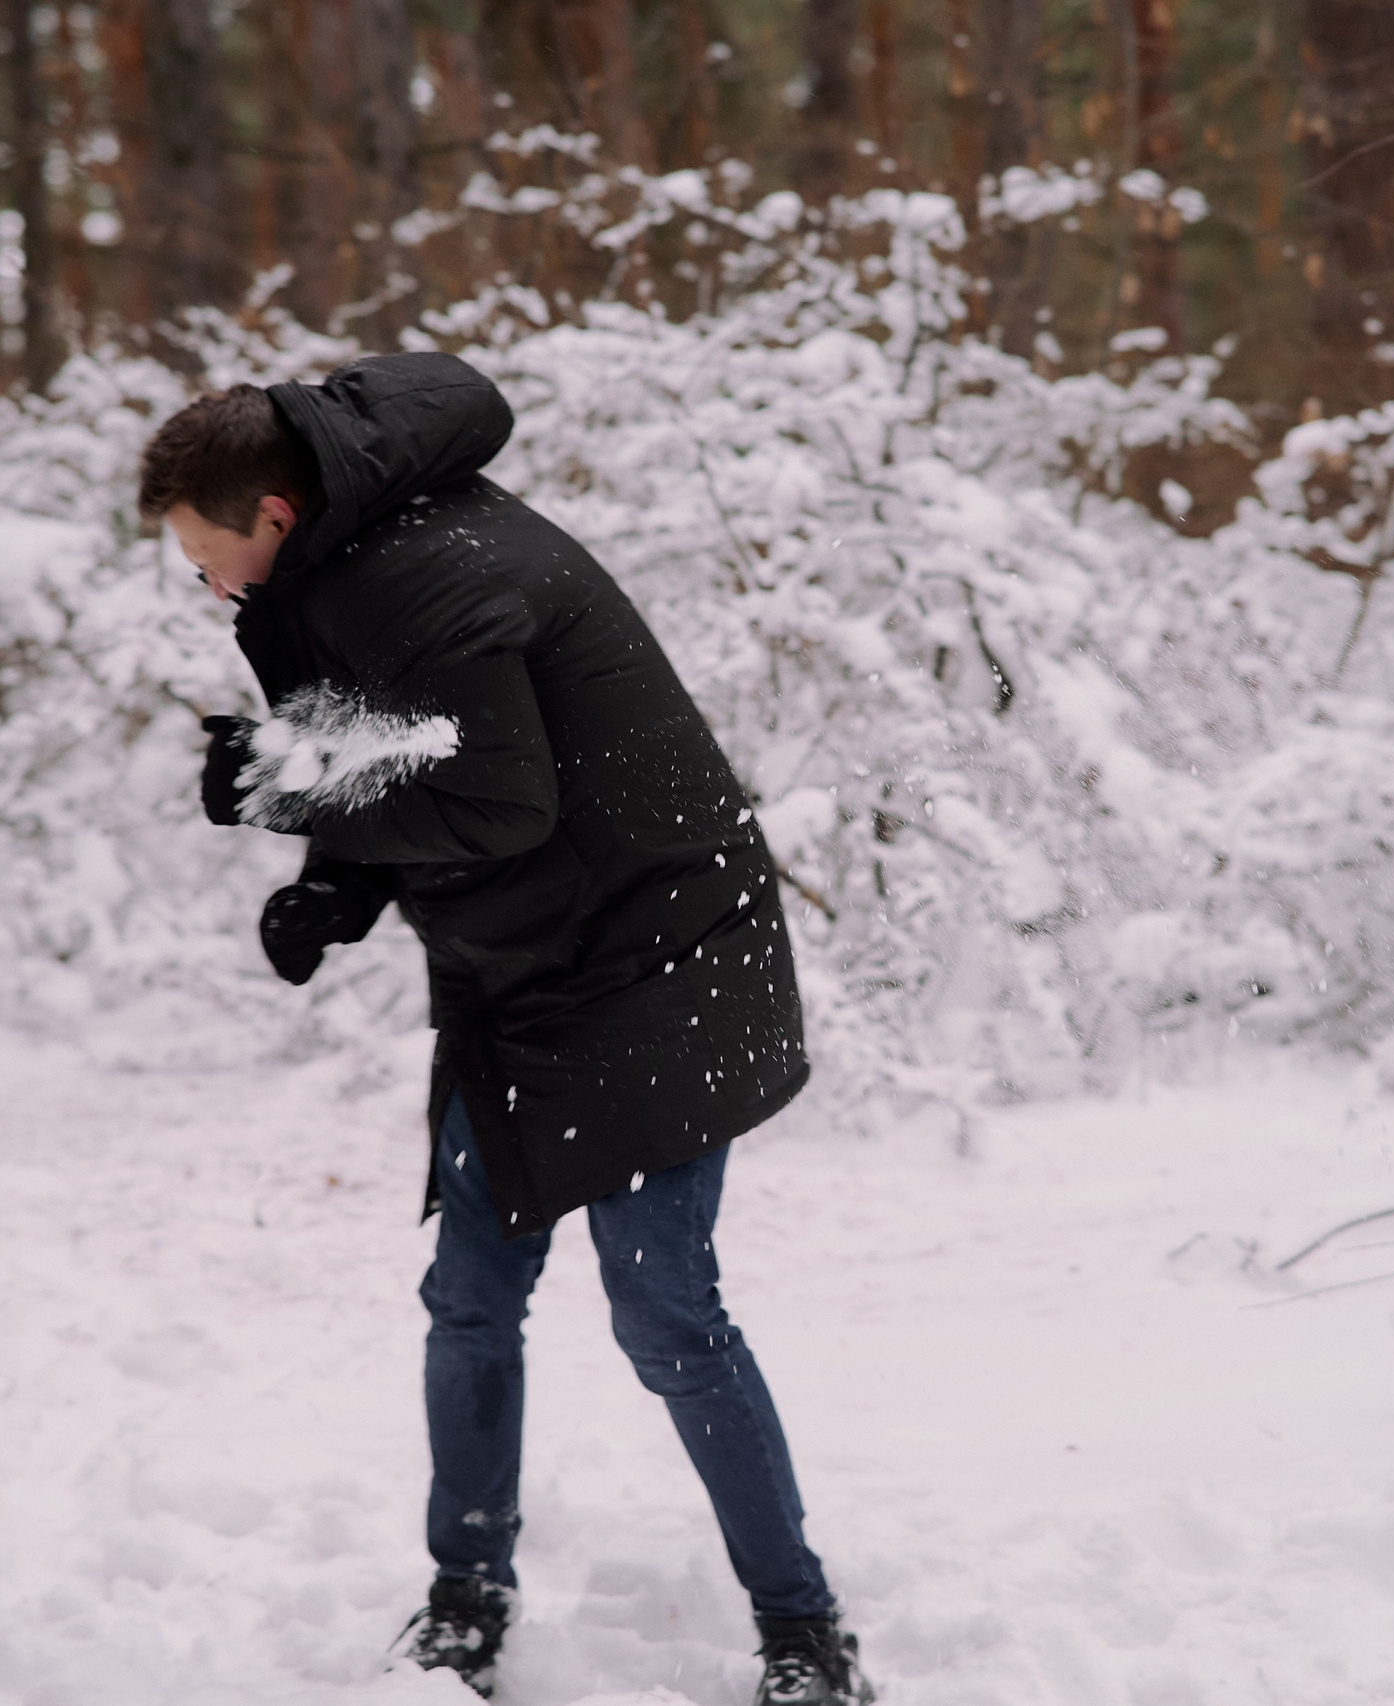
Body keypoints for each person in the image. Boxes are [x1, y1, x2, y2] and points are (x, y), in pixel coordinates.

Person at [138, 353, 870, 1706]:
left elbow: (497, 800)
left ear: (277, 515)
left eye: (208, 559)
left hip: (653, 961)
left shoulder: (428, 572)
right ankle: (465, 1598)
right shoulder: (361, 556)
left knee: (666, 1311)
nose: (210, 588)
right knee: (470, 1299)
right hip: (523, 977)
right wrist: (336, 886)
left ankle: (805, 1631)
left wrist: (294, 803)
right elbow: (413, 754)